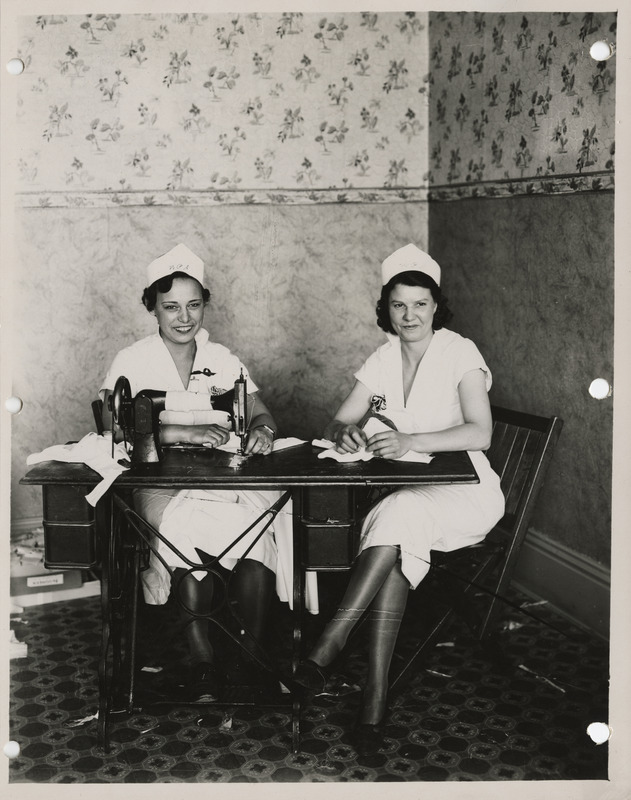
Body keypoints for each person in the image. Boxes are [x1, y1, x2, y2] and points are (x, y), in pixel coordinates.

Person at [294, 243, 505, 754]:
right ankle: (374, 698)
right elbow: (340, 420)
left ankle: (331, 642)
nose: (409, 315)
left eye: (420, 303)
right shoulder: (383, 357)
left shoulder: (461, 352)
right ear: (385, 309)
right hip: (406, 498)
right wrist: (345, 435)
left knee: (399, 514)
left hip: (466, 493)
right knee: (397, 533)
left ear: (436, 306)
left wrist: (412, 441)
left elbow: (480, 433)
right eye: (398, 304)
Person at [100, 243, 284, 701]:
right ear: (153, 308)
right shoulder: (132, 359)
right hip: (160, 483)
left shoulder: (223, 358)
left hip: (221, 479)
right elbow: (110, 424)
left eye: (194, 305)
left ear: (205, 304)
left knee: (257, 529)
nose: (184, 318)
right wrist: (183, 431)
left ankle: (251, 653)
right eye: (171, 307)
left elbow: (261, 415)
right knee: (184, 528)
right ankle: (203, 662)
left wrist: (261, 431)